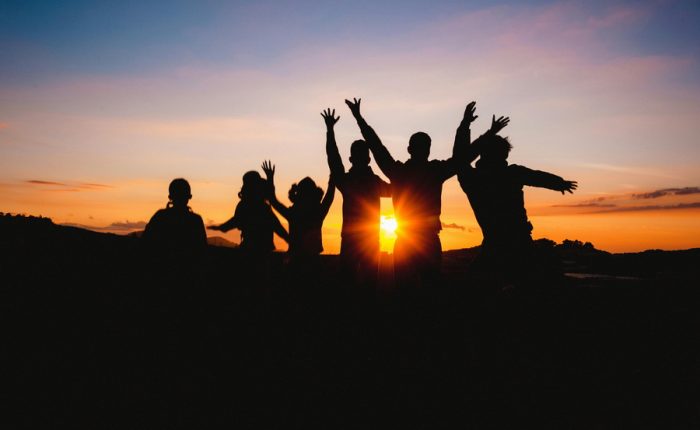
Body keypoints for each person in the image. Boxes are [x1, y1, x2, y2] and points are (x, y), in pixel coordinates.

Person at [345, 97, 509, 287]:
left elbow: (376, 146)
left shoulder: (399, 172)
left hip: (408, 241)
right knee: (430, 291)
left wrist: (359, 118)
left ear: (409, 149)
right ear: (428, 150)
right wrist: (480, 130)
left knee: (407, 292)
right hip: (426, 241)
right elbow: (463, 157)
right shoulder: (434, 171)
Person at [457, 132, 578, 284]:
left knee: (481, 287)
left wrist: (466, 126)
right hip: (517, 242)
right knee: (526, 286)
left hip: (497, 242)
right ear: (504, 155)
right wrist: (559, 183)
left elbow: (460, 160)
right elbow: (536, 176)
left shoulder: (473, 179)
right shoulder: (511, 173)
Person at [322, 107, 391, 288]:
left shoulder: (348, 181)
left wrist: (330, 131)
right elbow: (397, 190)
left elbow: (333, 159)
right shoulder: (375, 183)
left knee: (348, 285)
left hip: (354, 240)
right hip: (368, 239)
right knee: (366, 287)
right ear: (369, 160)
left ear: (351, 159)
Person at [262, 161, 334, 279]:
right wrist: (333, 176)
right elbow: (329, 195)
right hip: (311, 263)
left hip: (295, 262)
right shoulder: (318, 213)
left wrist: (270, 180)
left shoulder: (294, 213)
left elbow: (273, 200)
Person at [208, 170, 289, 254]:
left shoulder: (244, 205)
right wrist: (290, 240)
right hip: (264, 250)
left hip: (248, 248)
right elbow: (277, 226)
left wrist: (221, 227)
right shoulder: (263, 207)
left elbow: (235, 222)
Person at [142, 178, 208, 254]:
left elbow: (146, 243)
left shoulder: (160, 216)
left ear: (170, 197)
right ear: (189, 197)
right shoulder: (195, 220)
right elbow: (202, 249)